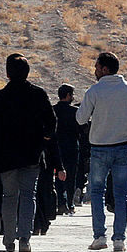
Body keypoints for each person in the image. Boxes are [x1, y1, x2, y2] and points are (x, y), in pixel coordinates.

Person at [0, 54, 59, 252]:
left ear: (7, 73)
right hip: (32, 154)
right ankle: (25, 239)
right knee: (28, 196)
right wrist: (45, 138)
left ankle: (9, 239)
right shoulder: (39, 94)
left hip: (6, 156)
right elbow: (51, 122)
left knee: (9, 197)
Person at [77, 51, 127, 251]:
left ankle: (100, 236)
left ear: (104, 69)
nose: (95, 71)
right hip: (123, 146)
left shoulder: (94, 91)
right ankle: (119, 239)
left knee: (97, 192)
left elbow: (80, 119)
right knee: (121, 193)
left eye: (96, 67)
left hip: (99, 147)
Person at [53, 84, 81, 215]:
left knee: (58, 175)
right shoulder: (75, 112)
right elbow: (81, 130)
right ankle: (70, 203)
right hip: (72, 148)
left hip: (56, 148)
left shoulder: (53, 110)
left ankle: (60, 202)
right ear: (68, 95)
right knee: (71, 176)